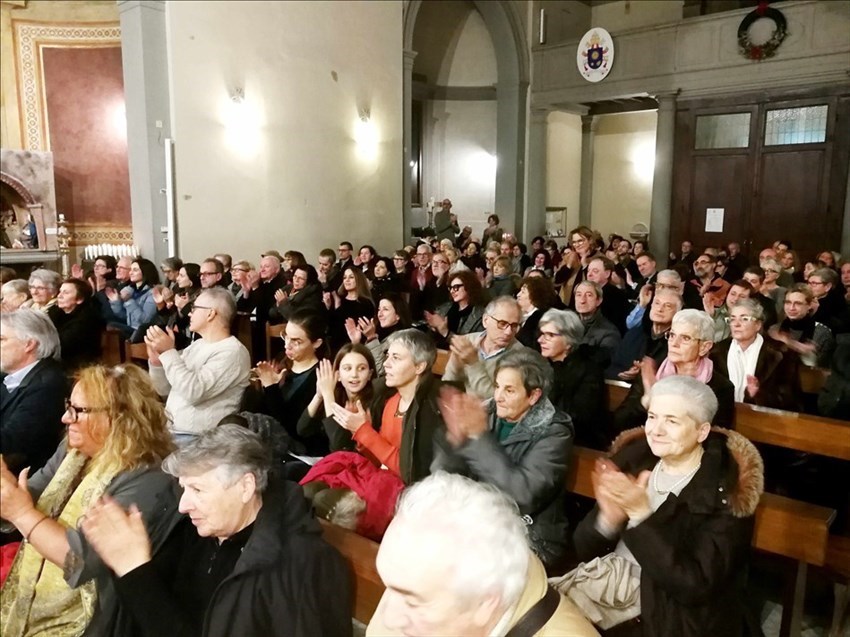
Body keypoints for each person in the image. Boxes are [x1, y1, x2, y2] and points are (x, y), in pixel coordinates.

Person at [79, 425, 353, 637]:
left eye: (197, 489)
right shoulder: (199, 532)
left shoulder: (304, 567)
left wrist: (134, 571)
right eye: (183, 488)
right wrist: (128, 564)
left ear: (246, 487)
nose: (184, 505)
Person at [550, 376, 763, 637]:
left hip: (668, 614)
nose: (656, 430)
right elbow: (582, 550)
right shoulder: (635, 459)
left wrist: (640, 515)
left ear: (702, 431)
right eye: (652, 417)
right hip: (607, 586)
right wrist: (607, 521)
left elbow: (694, 585)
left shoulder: (726, 490)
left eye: (672, 421)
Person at [0, 364, 179, 636]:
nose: (65, 418)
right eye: (68, 405)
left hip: (93, 620)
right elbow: (30, 495)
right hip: (33, 600)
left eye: (77, 411)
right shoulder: (74, 450)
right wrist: (7, 492)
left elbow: (80, 559)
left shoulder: (148, 477)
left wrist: (21, 514)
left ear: (118, 416)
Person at [367, 472, 599, 637]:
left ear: (486, 603)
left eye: (412, 602)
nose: (389, 618)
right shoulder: (415, 578)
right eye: (389, 586)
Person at [434, 349, 574, 567]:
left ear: (533, 395)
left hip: (529, 533)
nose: (498, 396)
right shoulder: (486, 412)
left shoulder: (554, 432)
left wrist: (478, 438)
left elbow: (522, 495)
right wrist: (454, 440)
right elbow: (444, 475)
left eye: (509, 390)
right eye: (497, 386)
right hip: (481, 519)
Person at [325, 328, 443, 485]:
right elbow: (377, 460)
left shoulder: (430, 411)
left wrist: (364, 431)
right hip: (382, 480)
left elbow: (409, 472)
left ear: (419, 367)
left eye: (396, 358)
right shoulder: (392, 402)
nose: (386, 364)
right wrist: (361, 432)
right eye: (387, 356)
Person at [146, 287, 251, 444]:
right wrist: (157, 363)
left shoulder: (233, 352)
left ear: (211, 313)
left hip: (202, 440)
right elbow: (165, 390)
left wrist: (169, 353)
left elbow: (193, 392)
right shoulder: (197, 345)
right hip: (175, 432)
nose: (189, 313)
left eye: (194, 308)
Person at [613, 309, 735, 435]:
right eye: (672, 335)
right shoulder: (653, 373)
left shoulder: (721, 388)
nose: (674, 344)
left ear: (704, 347)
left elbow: (716, 440)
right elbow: (619, 422)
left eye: (685, 338)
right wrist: (646, 401)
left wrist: (655, 401)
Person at [0, 309, 67, 474]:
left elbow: (11, 444)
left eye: (2, 339)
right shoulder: (9, 375)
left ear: (29, 344)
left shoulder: (48, 385)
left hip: (21, 479)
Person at [254, 310, 328, 456]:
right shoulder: (283, 363)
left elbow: (290, 429)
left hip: (298, 453)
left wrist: (270, 388)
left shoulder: (319, 376)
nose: (287, 345)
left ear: (316, 343)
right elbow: (263, 415)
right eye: (286, 336)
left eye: (296, 341)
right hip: (268, 443)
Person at [711, 299, 801, 411]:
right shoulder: (717, 351)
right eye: (732, 319)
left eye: (744, 319)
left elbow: (789, 397)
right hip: (724, 415)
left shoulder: (781, 353)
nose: (736, 324)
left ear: (758, 325)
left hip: (766, 418)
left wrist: (758, 394)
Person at [537, 308, 607, 450]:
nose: (540, 340)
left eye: (549, 335)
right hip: (545, 436)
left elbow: (580, 418)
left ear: (569, 341)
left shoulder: (589, 371)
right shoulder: (542, 366)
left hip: (577, 442)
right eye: (542, 334)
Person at [442, 296, 529, 400]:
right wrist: (455, 367)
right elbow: (448, 383)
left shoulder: (520, 355)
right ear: (485, 320)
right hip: (459, 407)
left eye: (514, 325)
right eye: (502, 323)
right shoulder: (468, 341)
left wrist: (473, 364)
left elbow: (497, 399)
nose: (508, 332)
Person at [607, 290, 680, 383]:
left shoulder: (677, 344)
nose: (660, 309)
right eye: (657, 303)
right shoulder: (633, 334)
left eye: (668, 306)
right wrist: (624, 373)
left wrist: (644, 374)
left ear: (677, 312)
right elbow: (613, 367)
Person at [769, 283, 835, 368]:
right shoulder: (775, 329)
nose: (791, 308)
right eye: (788, 303)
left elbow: (824, 369)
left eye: (798, 303)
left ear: (809, 305)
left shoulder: (822, 333)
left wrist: (792, 344)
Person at [347, 292, 412, 376]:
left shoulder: (402, 340)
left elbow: (381, 373)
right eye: (379, 309)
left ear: (398, 315)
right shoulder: (379, 334)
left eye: (385, 309)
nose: (380, 314)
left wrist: (371, 337)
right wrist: (356, 342)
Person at [47, 277, 105, 373]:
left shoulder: (87, 319)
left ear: (79, 299)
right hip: (58, 362)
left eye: (66, 293)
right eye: (60, 292)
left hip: (79, 367)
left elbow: (63, 344)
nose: (60, 296)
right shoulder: (54, 313)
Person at [424, 269, 486, 349]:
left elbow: (470, 346)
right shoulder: (444, 308)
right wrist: (434, 329)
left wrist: (445, 332)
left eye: (456, 287)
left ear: (469, 286)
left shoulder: (480, 315)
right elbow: (429, 340)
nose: (452, 291)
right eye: (451, 288)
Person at [106, 258, 160, 337]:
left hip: (142, 332)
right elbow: (125, 316)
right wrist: (116, 302)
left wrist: (129, 301)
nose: (131, 273)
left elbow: (145, 320)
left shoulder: (152, 293)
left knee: (112, 325)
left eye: (135, 270)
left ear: (145, 272)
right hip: (132, 329)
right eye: (131, 269)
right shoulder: (132, 291)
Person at [573, 281, 621, 368]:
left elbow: (604, 362)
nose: (582, 300)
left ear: (598, 301)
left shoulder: (609, 332)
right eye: (578, 295)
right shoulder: (566, 324)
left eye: (589, 295)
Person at [326, 267, 374, 352]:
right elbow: (330, 325)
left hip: (352, 347)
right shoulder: (339, 299)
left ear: (359, 280)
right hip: (334, 346)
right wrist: (328, 307)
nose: (347, 280)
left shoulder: (365, 304)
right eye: (345, 277)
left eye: (351, 277)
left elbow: (363, 332)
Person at [516, 275, 558, 351]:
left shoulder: (540, 320)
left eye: (523, 292)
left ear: (534, 295)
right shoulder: (521, 317)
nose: (518, 295)